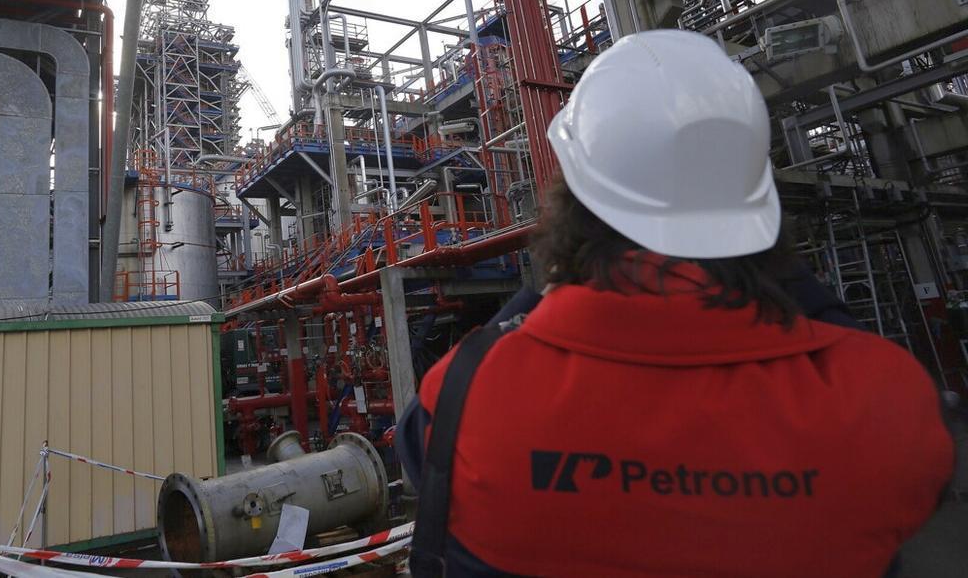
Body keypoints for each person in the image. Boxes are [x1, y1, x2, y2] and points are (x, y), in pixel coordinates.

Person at [396, 30, 952, 577]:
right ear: (760, 200)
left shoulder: (465, 396)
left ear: (574, 201)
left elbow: (422, 457)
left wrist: (552, 277)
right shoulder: (885, 398)